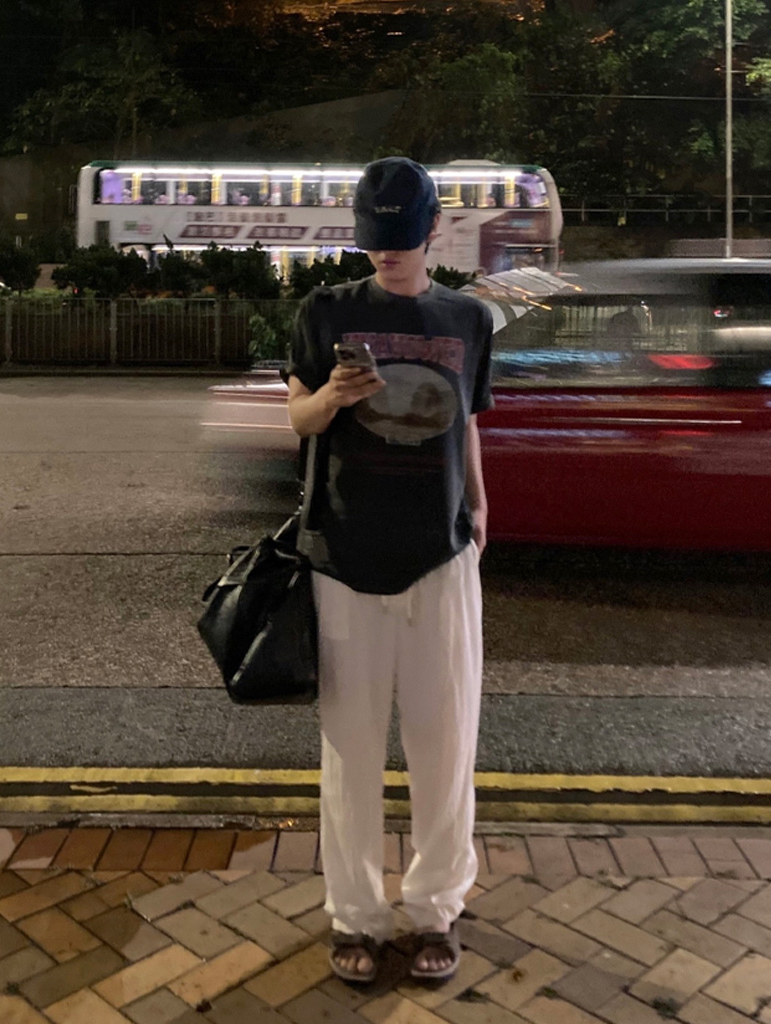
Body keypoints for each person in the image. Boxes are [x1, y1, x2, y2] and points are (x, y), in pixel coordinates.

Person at [285, 156, 493, 984]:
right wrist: (333, 396)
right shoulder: (326, 310)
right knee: (351, 751)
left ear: (434, 229)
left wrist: (479, 508)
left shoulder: (468, 318)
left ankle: (436, 907)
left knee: (446, 745)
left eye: (402, 238)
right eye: (376, 240)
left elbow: (467, 422)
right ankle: (358, 916)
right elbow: (298, 418)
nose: (388, 253)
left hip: (441, 555)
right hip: (344, 554)